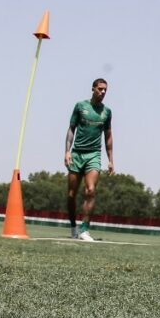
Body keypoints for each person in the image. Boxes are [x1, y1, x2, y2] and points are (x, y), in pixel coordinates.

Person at [64, 78, 114, 241]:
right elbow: (71, 129)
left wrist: (111, 160)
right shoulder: (80, 106)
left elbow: (108, 136)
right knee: (71, 194)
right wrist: (67, 151)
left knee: (91, 190)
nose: (103, 92)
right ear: (93, 89)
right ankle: (73, 227)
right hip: (77, 154)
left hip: (94, 155)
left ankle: (85, 230)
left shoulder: (107, 112)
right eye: (100, 89)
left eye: (105, 90)